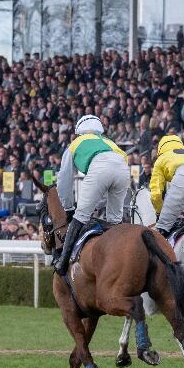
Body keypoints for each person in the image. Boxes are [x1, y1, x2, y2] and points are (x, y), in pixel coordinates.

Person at [53, 114, 130, 275]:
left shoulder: (75, 143)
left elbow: (64, 179)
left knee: (80, 216)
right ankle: (120, 260)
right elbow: (123, 160)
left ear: (79, 131)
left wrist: (68, 207)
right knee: (114, 221)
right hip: (123, 170)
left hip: (99, 167)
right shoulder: (110, 142)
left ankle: (62, 262)